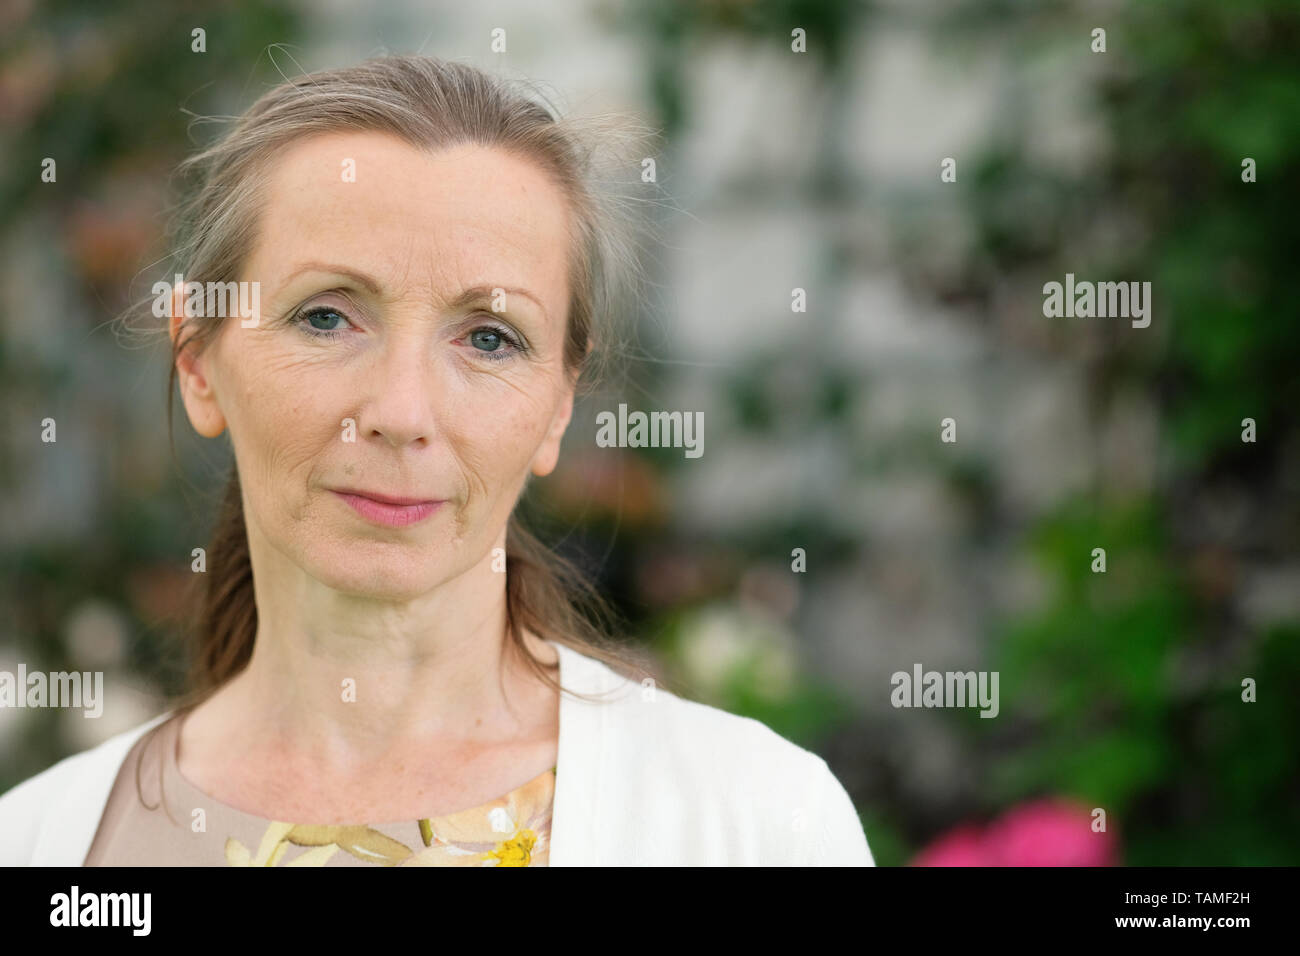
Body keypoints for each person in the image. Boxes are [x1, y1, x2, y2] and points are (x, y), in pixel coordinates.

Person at [0, 55, 873, 866]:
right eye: (327, 318)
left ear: (558, 405)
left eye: (490, 338)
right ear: (197, 360)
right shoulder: (42, 843)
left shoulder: (759, 826)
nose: (401, 413)